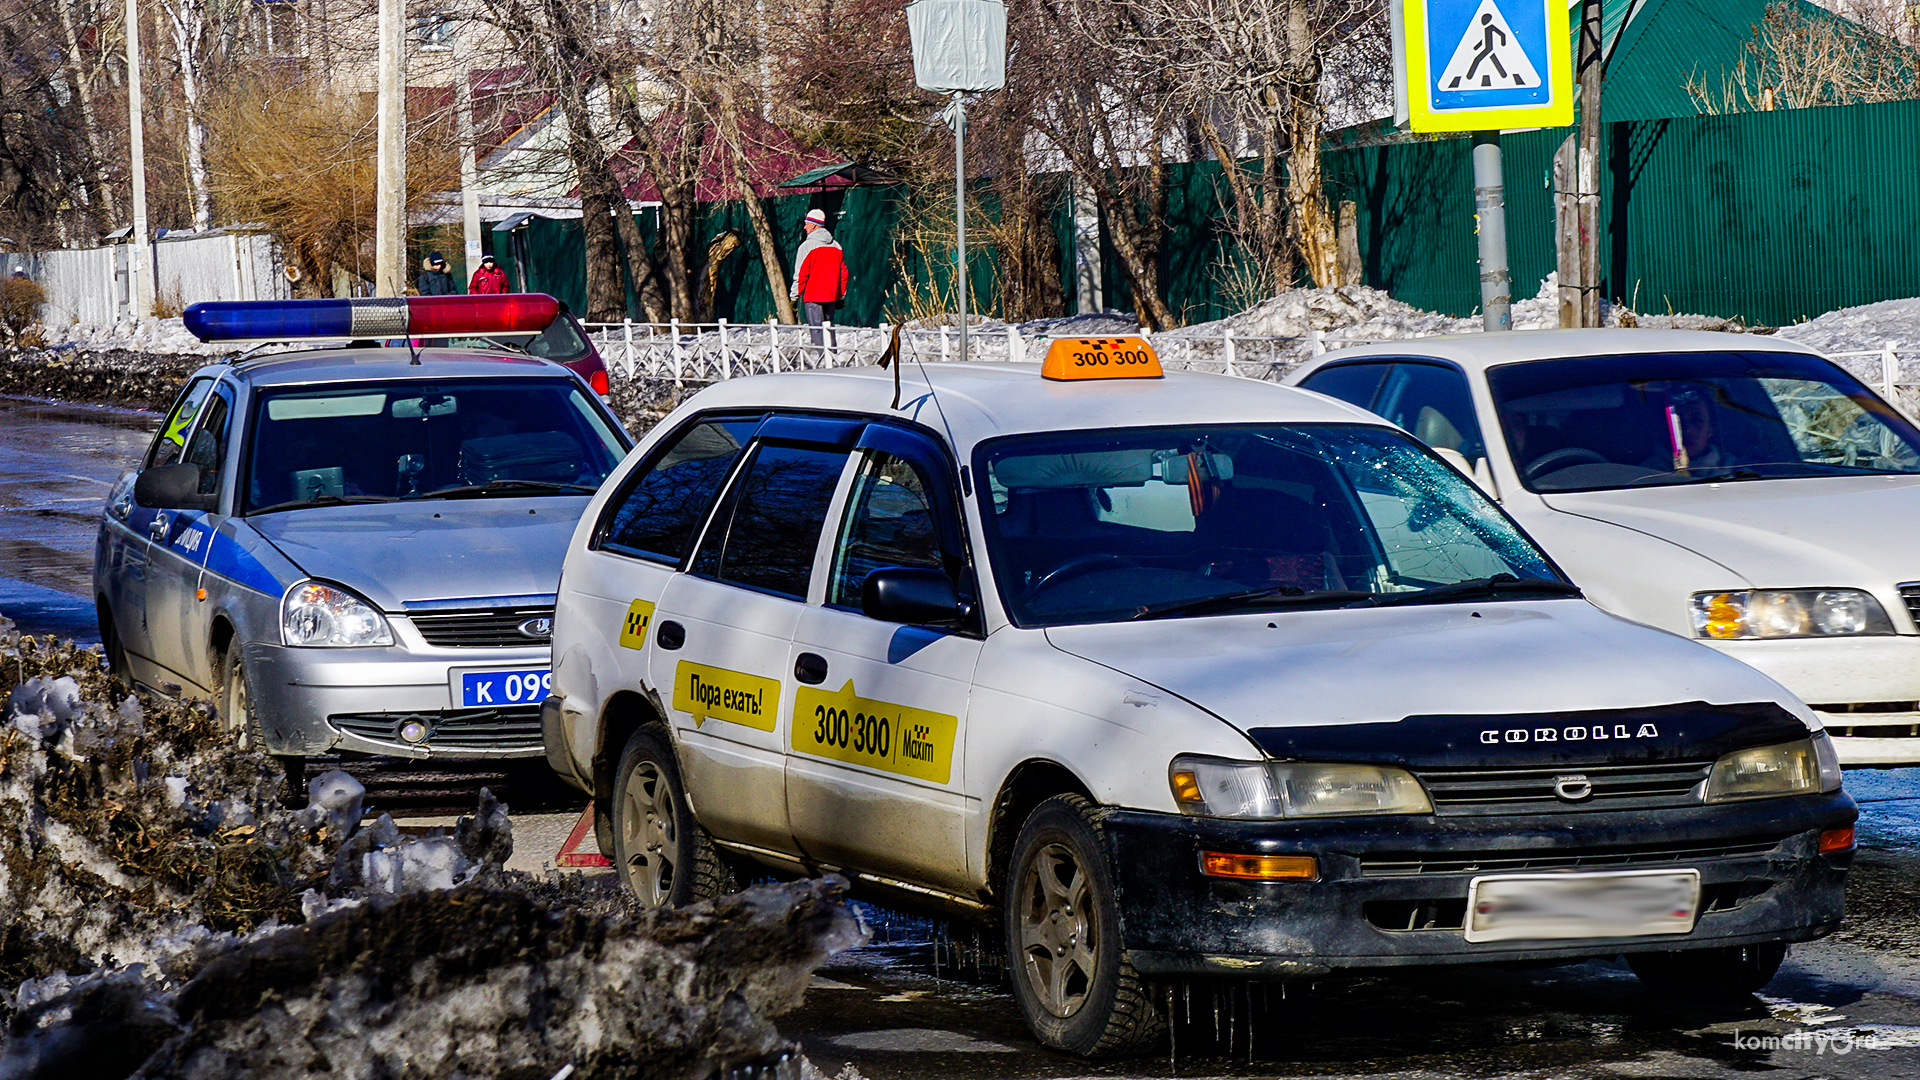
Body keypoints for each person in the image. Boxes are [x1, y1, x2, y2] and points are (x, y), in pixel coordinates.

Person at [790, 208, 848, 344]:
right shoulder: (836, 246)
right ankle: (832, 356)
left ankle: (822, 358)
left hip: (813, 296)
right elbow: (843, 274)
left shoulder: (807, 246)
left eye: (807, 224)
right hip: (832, 295)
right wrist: (841, 296)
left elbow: (800, 275)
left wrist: (794, 297)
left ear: (814, 225)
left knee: (816, 329)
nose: (804, 227)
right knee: (829, 327)